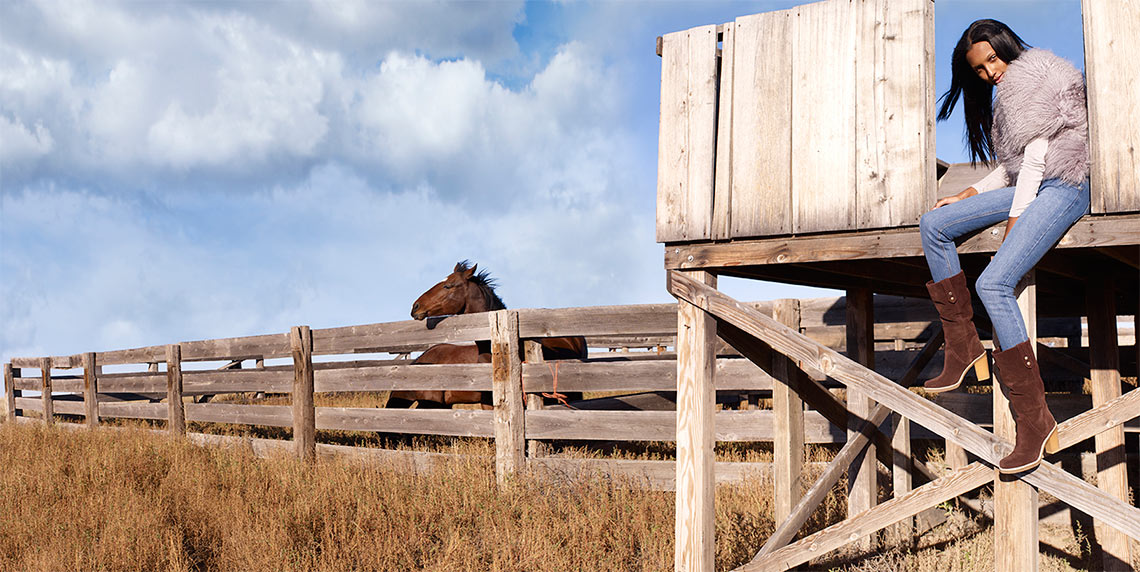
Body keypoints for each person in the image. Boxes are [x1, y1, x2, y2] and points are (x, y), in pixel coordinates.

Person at [918, 19, 1089, 474]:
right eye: (979, 69)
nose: (989, 72)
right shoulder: (1005, 97)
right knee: (934, 223)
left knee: (994, 282)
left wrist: (1014, 223)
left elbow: (1037, 159)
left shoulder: (1037, 72)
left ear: (1005, 47)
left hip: (1066, 183)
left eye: (992, 59)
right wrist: (968, 196)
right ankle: (964, 347)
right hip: (1032, 182)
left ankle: (1035, 423)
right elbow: (1013, 168)